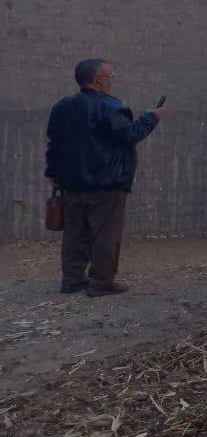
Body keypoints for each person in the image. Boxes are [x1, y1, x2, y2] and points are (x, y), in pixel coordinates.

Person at [44, 59, 164, 296]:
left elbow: (54, 144)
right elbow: (128, 135)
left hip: (71, 183)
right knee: (105, 235)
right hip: (107, 183)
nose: (112, 79)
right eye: (110, 75)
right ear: (97, 81)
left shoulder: (61, 107)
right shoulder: (111, 107)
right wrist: (152, 118)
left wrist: (53, 174)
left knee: (74, 234)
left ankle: (72, 279)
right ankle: (102, 282)